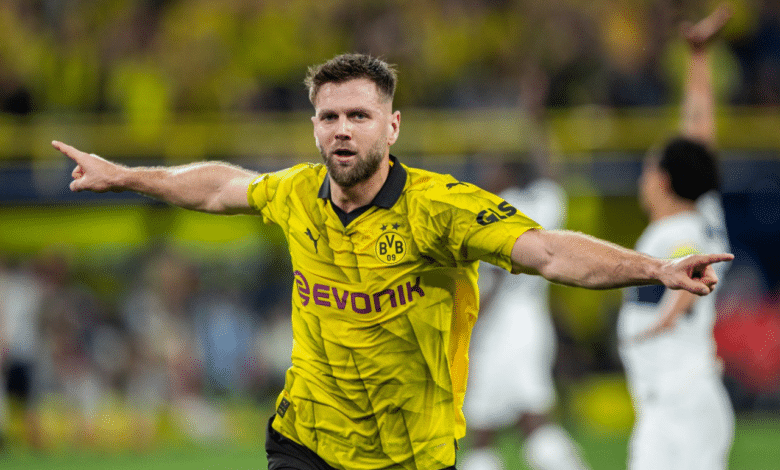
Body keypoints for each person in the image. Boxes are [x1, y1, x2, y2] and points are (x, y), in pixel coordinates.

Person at [53, 53, 732, 470]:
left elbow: (550, 251)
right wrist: (128, 176)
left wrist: (654, 269)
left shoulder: (443, 209)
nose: (342, 130)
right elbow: (220, 187)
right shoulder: (295, 193)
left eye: (358, 115)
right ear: (314, 126)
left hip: (412, 453)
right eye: (328, 118)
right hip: (307, 440)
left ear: (392, 125)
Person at [617, 5, 735, 470]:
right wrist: (699, 58)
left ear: (663, 180)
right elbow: (699, 135)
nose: (643, 177)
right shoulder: (703, 210)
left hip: (676, 407)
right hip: (684, 400)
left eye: (649, 168)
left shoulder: (678, 231)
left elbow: (692, 263)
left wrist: (667, 317)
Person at [461, 67, 589, 470]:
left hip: (508, 323)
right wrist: (535, 118)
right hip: (521, 322)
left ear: (509, 174)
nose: (484, 174)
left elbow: (498, 278)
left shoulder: (510, 209)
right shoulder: (530, 205)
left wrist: (466, 326)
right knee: (486, 428)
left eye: (491, 167)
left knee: (530, 420)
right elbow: (552, 177)